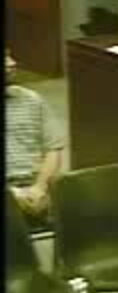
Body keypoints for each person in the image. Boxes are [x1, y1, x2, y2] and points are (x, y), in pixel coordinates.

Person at [5, 51, 65, 224]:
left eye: (9, 57)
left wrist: (40, 187)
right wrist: (13, 194)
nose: (12, 63)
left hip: (35, 187)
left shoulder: (32, 100)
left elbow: (53, 149)